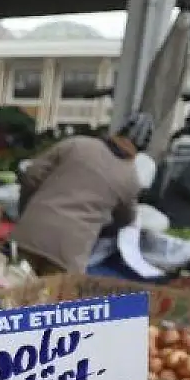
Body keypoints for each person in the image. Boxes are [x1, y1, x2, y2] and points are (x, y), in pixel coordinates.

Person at [11, 113, 154, 276]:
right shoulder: (130, 178)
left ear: (118, 132)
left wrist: (27, 210)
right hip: (70, 250)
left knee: (11, 290)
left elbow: (31, 175)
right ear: (140, 150)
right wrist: (100, 227)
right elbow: (126, 219)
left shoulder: (76, 144)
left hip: (31, 233)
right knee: (50, 298)